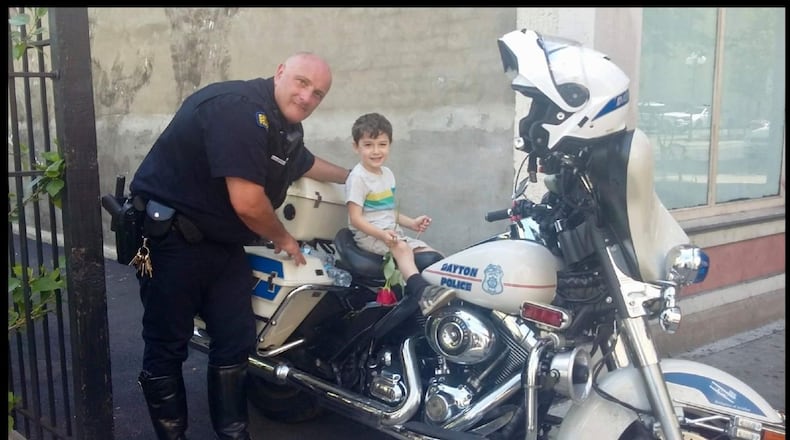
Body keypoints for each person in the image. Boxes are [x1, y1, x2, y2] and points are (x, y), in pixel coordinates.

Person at [127, 51, 349, 440]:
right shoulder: (238, 109)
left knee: (235, 341)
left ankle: (233, 434)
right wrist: (285, 239)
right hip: (172, 240)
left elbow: (306, 163)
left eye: (318, 93)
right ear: (279, 72)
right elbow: (247, 202)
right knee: (167, 344)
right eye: (301, 83)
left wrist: (357, 176)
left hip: (224, 243)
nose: (307, 97)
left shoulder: (283, 126)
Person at [345, 112, 440, 277]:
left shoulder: (387, 174)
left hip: (391, 233)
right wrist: (382, 234)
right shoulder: (358, 177)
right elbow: (355, 218)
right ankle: (417, 288)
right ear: (356, 147)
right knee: (402, 249)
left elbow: (386, 211)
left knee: (433, 255)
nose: (376, 151)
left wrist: (412, 223)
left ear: (390, 144)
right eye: (368, 145)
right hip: (370, 237)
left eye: (382, 144)